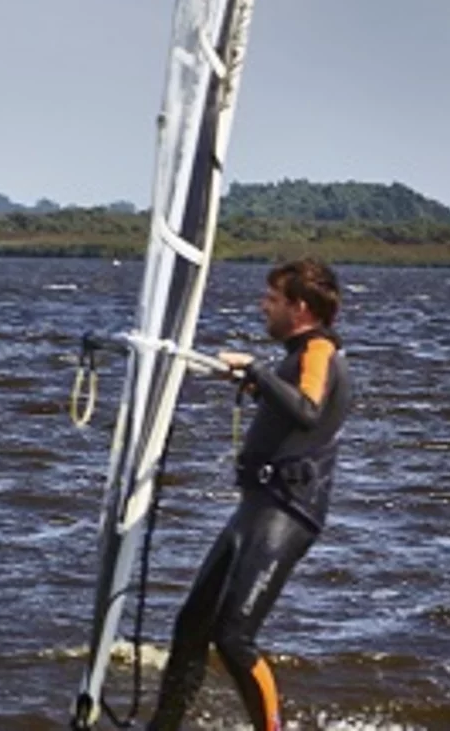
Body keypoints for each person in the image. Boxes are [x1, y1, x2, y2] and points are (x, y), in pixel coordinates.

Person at [148, 258, 353, 731]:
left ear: (300, 307)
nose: (264, 306)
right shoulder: (298, 353)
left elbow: (306, 409)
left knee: (234, 637)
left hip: (286, 511)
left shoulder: (318, 348)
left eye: (273, 299)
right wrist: (259, 384)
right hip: (257, 507)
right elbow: (292, 408)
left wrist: (258, 371)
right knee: (192, 625)